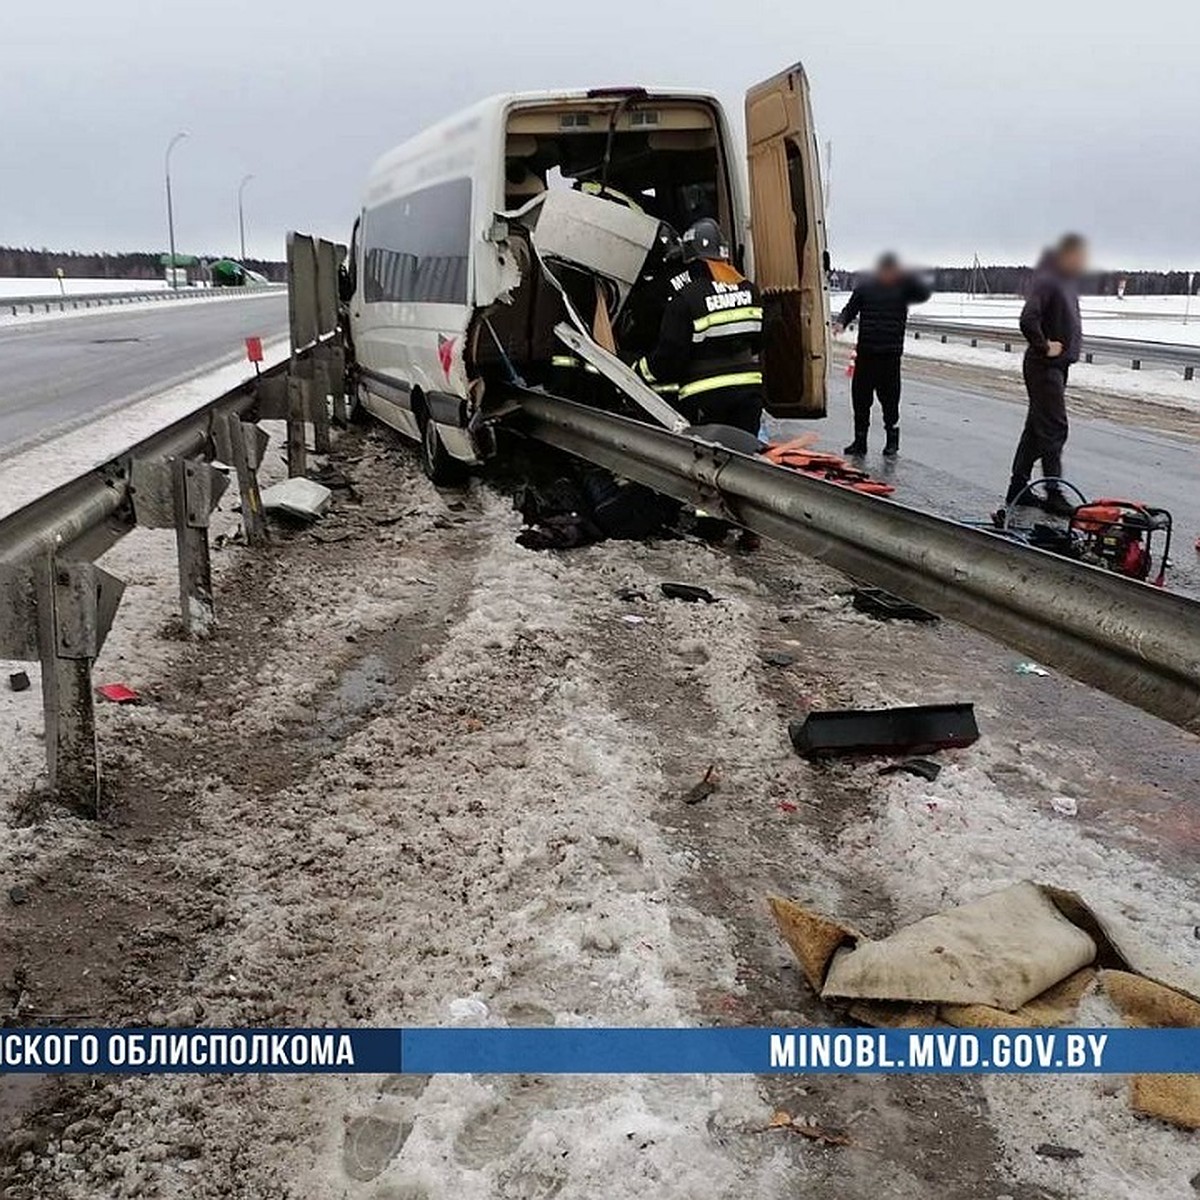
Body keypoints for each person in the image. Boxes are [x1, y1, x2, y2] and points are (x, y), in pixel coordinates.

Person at [634, 218, 763, 436]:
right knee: (743, 458)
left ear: (689, 257)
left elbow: (670, 354)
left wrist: (640, 371)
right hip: (748, 396)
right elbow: (760, 342)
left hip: (705, 400)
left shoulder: (686, 298)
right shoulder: (751, 291)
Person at [1003, 233, 1087, 517]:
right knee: (1054, 427)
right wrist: (1043, 345)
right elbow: (1028, 318)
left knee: (1036, 430)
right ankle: (1053, 492)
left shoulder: (1064, 282)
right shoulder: (1050, 280)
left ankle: (1018, 488)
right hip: (1044, 366)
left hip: (1057, 367)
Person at [834, 252, 932, 457]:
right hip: (867, 353)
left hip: (890, 355)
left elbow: (924, 293)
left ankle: (892, 442)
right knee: (861, 401)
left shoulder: (904, 289)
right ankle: (860, 442)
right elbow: (850, 308)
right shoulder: (866, 288)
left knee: (890, 402)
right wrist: (841, 322)